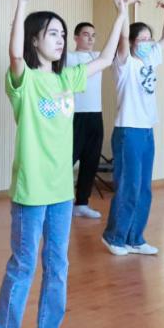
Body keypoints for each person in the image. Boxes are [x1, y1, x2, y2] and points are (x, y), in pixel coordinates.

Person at [0, 0, 129, 328]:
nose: (61, 40)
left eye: (63, 34)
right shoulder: (24, 80)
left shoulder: (67, 79)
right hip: (31, 191)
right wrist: (22, 0)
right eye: (53, 33)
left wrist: (121, 14)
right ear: (35, 40)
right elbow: (14, 53)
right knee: (24, 265)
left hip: (62, 191)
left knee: (57, 265)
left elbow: (106, 59)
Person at [101, 0, 164, 256]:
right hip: (127, 130)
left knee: (144, 189)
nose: (147, 43)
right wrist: (123, 11)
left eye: (148, 39)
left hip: (146, 131)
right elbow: (121, 40)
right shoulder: (124, 63)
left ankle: (135, 238)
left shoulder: (151, 58)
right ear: (132, 42)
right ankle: (114, 237)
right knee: (128, 186)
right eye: (141, 39)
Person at [68, 22, 105, 219]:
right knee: (67, 161)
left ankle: (81, 203)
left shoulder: (98, 57)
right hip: (75, 115)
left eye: (93, 35)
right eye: (85, 34)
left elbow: (116, 47)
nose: (90, 38)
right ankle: (58, 201)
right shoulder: (67, 57)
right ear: (76, 38)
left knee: (91, 161)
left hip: (95, 115)